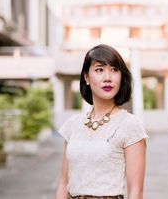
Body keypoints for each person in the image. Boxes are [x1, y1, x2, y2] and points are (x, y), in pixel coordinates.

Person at [55, 44, 148, 199]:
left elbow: (136, 192)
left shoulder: (129, 125)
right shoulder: (72, 125)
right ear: (86, 77)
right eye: (99, 69)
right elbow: (63, 183)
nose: (108, 78)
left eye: (114, 70)